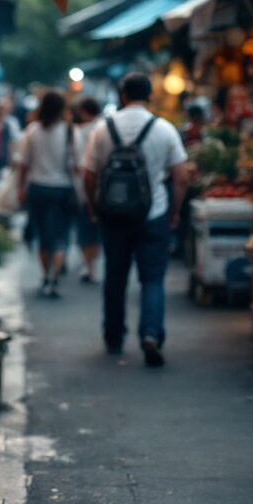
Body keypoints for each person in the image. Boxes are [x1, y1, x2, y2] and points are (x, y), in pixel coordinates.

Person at [82, 73, 189, 367]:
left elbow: (89, 175)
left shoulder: (103, 129)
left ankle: (114, 337)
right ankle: (151, 334)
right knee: (152, 278)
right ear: (151, 96)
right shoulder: (164, 130)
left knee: (115, 278)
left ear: (123, 95)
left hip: (112, 216)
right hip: (152, 214)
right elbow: (181, 177)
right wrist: (175, 211)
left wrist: (94, 207)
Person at [16, 91, 77, 298]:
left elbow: (23, 163)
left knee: (42, 236)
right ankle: (54, 278)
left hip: (38, 188)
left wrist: (21, 187)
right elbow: (74, 164)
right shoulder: (69, 131)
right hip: (62, 189)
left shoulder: (33, 131)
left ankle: (44, 276)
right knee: (60, 236)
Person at [71, 96, 103, 283]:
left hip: (82, 186)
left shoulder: (79, 132)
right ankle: (92, 264)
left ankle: (88, 264)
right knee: (96, 228)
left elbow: (75, 162)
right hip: (103, 188)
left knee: (84, 227)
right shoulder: (106, 128)